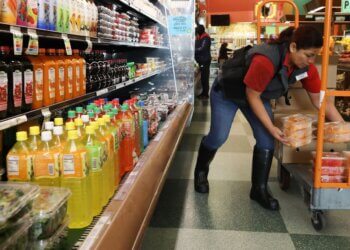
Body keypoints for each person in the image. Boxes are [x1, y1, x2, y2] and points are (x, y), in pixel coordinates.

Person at [193, 26, 344, 211]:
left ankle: (259, 190)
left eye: (315, 56)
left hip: (254, 95)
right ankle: (201, 171)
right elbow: (252, 95)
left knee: (266, 141)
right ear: (294, 47)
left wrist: (343, 128)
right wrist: (272, 128)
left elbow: (321, 102)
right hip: (228, 93)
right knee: (219, 136)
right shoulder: (266, 60)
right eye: (309, 55)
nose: (311, 61)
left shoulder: (307, 69)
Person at [195, 25, 211, 99]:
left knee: (205, 77)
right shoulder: (201, 37)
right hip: (202, 60)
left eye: (197, 31)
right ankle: (204, 93)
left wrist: (192, 50)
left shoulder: (206, 38)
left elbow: (202, 48)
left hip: (204, 60)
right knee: (203, 77)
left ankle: (205, 94)